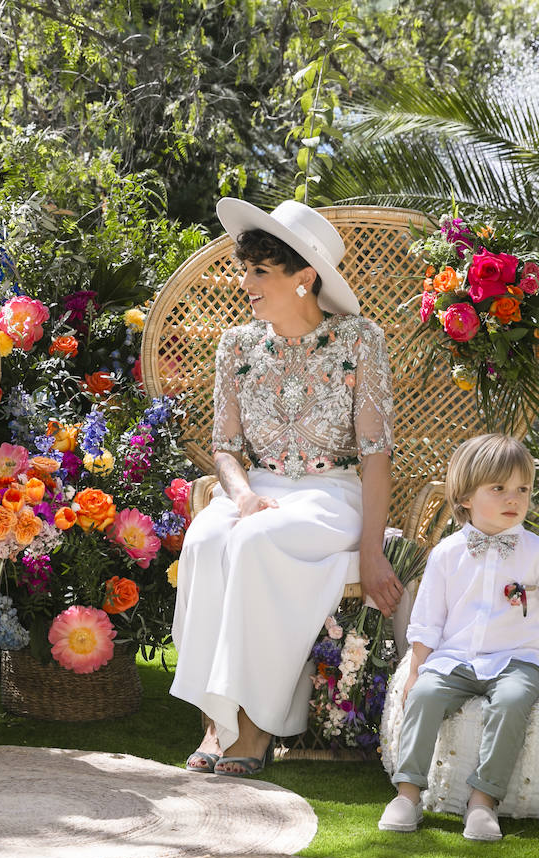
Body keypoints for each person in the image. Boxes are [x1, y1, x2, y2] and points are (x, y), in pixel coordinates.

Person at [169, 198, 403, 778]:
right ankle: (215, 722)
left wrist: (372, 552)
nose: (244, 283)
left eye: (259, 272)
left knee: (254, 543)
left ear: (304, 278)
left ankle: (255, 728)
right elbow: (225, 447)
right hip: (259, 487)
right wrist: (241, 495)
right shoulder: (237, 346)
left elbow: (377, 456)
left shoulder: (359, 340)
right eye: (244, 269)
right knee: (203, 539)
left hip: (333, 492)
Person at [377, 433, 539, 841]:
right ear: (466, 497)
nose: (514, 499)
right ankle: (408, 793)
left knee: (509, 702)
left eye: (522, 489)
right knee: (424, 696)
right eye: (499, 488)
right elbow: (428, 619)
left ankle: (483, 800)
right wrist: (417, 670)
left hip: (515, 660)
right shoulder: (446, 554)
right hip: (456, 658)